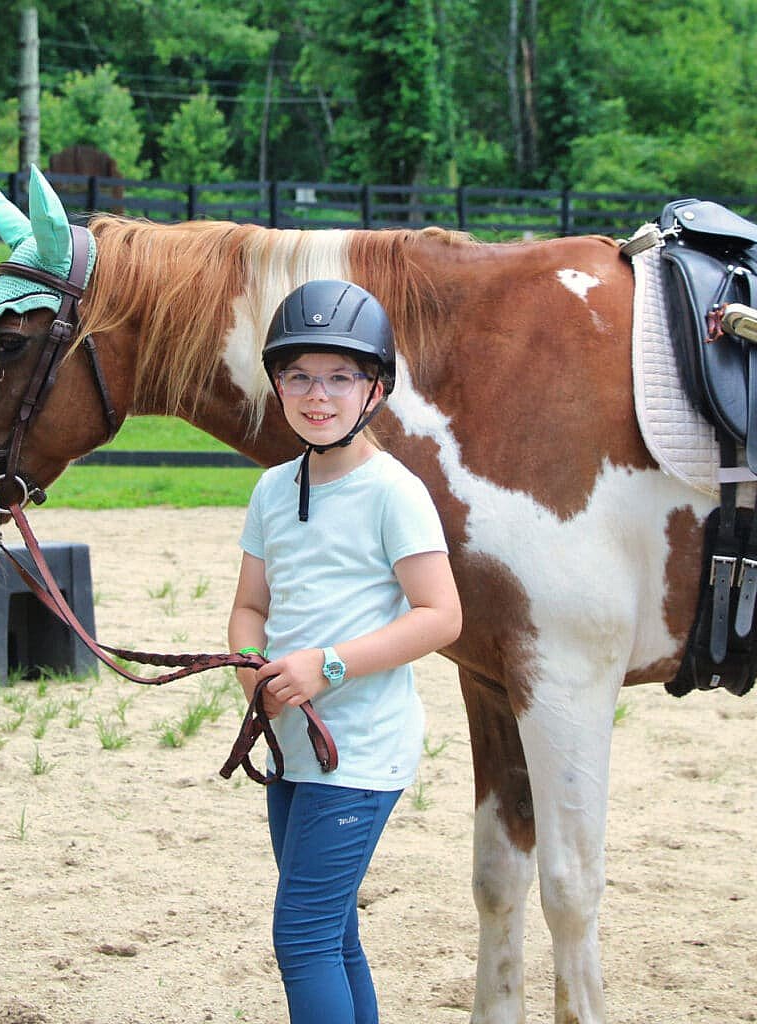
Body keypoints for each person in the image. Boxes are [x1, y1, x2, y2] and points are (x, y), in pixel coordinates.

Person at [227, 279, 463, 1024]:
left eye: (339, 376)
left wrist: (324, 666)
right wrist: (249, 666)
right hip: (292, 743)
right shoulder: (271, 490)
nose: (316, 395)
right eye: (298, 376)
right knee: (330, 931)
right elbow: (250, 607)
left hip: (358, 749)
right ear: (278, 385)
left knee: (299, 937)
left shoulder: (395, 492)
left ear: (375, 389)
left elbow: (441, 615)